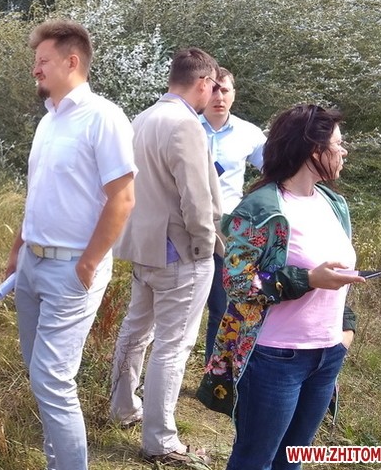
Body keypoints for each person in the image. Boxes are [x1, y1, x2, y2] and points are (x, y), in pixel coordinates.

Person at [197, 105, 363, 470]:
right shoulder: (260, 209)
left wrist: (345, 331)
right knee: (255, 460)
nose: (344, 151)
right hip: (275, 358)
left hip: (326, 355)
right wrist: (307, 280)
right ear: (312, 150)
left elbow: (341, 274)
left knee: (293, 460)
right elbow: (237, 282)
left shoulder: (333, 203)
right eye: (337, 143)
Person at [4, 19, 136, 470]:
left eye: (42, 61)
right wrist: (17, 251)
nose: (35, 69)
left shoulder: (103, 117)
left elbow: (123, 198)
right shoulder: (49, 121)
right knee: (40, 375)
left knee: (53, 379)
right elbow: (38, 194)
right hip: (32, 263)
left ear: (72, 61)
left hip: (72, 269)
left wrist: (89, 263)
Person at [109, 48, 223, 466]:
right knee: (172, 346)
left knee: (135, 331)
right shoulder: (185, 124)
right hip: (180, 252)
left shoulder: (141, 119)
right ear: (202, 82)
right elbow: (196, 198)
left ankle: (123, 407)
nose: (214, 93)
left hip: (143, 248)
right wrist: (206, 245)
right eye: (214, 85)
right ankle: (159, 439)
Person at [200, 67, 266, 364]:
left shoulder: (248, 133)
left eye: (224, 90)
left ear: (234, 94)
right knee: (176, 305)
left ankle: (212, 373)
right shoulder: (186, 126)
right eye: (213, 90)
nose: (219, 97)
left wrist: (255, 207)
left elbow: (275, 172)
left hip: (225, 230)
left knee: (221, 305)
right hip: (184, 225)